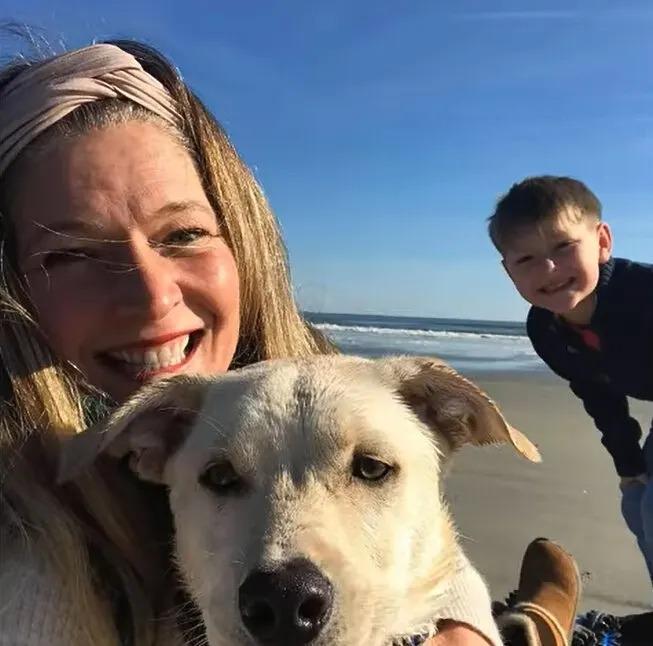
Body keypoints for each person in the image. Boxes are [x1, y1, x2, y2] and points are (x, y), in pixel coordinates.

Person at [0, 39, 577, 646]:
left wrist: (463, 624)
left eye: (185, 232)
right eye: (71, 255)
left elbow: (426, 548)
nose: (151, 296)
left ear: (239, 235)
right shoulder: (27, 569)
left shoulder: (294, 377)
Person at [488, 176, 653, 590]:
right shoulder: (547, 330)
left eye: (564, 247)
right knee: (636, 503)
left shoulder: (644, 295)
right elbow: (598, 393)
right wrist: (628, 462)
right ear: (508, 272)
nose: (548, 269)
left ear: (601, 242)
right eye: (526, 260)